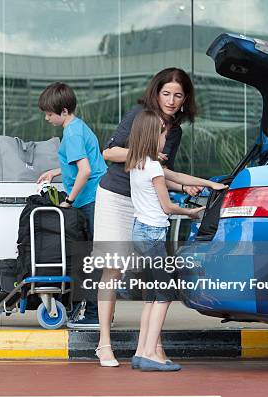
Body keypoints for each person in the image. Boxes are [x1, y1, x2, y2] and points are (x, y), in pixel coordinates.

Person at [94, 68, 202, 362]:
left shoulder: (174, 131)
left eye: (178, 95)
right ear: (156, 93)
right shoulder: (139, 115)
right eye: (166, 93)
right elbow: (109, 152)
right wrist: (142, 154)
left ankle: (152, 344)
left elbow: (162, 174)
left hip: (146, 204)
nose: (171, 100)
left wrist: (185, 186)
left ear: (185, 99)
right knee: (112, 269)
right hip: (116, 196)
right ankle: (104, 342)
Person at [125, 109, 226, 371]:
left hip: (140, 232)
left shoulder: (138, 162)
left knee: (151, 296)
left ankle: (141, 352)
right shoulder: (154, 166)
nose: (166, 136)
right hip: (152, 234)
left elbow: (178, 178)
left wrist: (210, 184)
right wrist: (191, 212)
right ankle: (150, 355)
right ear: (153, 135)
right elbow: (168, 206)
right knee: (164, 294)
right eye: (163, 132)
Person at [36, 82, 107, 326]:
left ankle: (93, 315)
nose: (47, 118)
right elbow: (82, 163)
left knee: (91, 259)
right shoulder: (78, 128)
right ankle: (93, 313)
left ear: (64, 111)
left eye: (49, 113)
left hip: (90, 200)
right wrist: (56, 172)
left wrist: (68, 200)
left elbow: (85, 171)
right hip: (96, 198)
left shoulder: (72, 133)